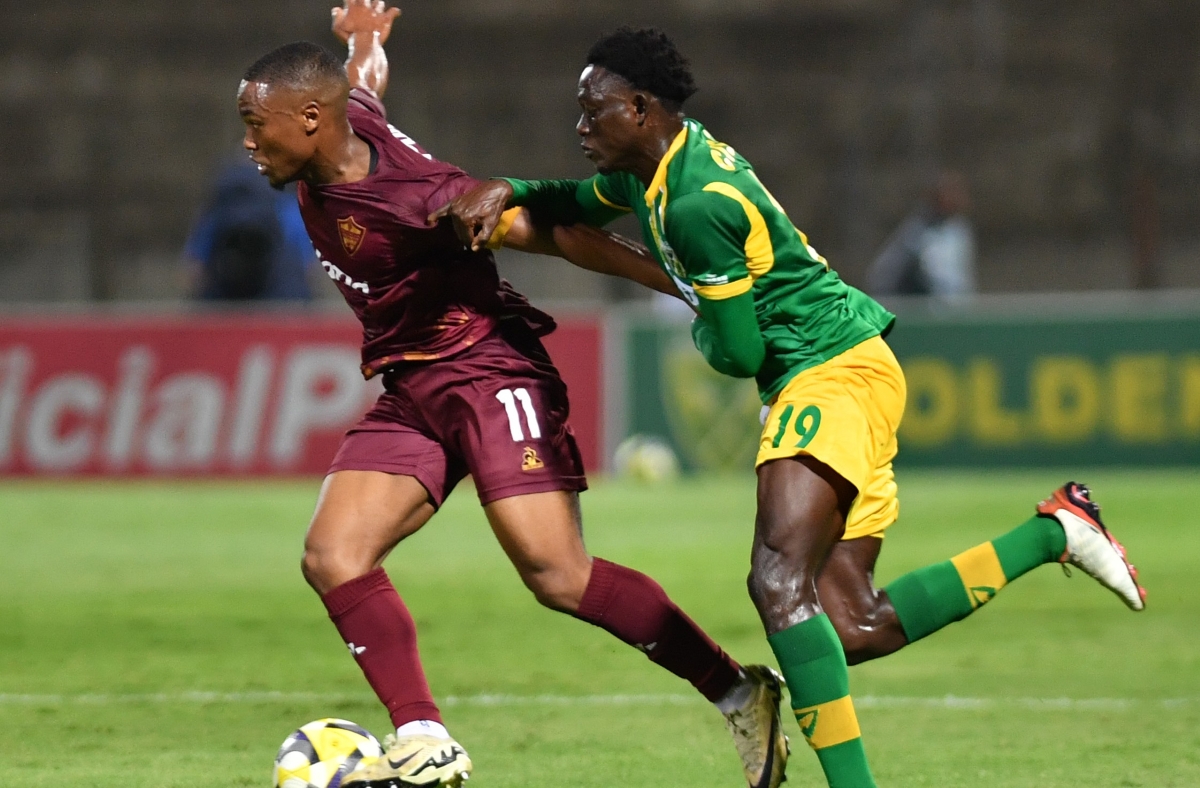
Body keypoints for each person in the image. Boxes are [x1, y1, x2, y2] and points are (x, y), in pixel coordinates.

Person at [435, 27, 1147, 788]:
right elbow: (571, 203)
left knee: (777, 581)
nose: (579, 127)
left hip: (828, 372)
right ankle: (1055, 532)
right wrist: (507, 187)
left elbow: (736, 354)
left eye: (593, 111)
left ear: (640, 109)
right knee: (853, 623)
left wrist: (694, 313)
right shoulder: (658, 172)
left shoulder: (696, 205)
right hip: (846, 367)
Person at [237, 4, 788, 787]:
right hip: (414, 385)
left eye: (259, 125)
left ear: (310, 120)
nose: (250, 143)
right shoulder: (344, 123)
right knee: (333, 555)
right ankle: (426, 737)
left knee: (558, 577)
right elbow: (365, 82)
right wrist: (365, 35)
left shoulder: (422, 200)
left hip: (491, 374)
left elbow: (554, 233)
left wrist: (682, 285)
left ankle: (738, 691)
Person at [184, 157, 317, 301]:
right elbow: (309, 268)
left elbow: (194, 268)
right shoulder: (287, 205)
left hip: (224, 300)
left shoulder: (222, 206)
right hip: (280, 299)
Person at [866, 171, 976, 299]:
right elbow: (884, 274)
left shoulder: (959, 230)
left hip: (954, 310)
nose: (955, 199)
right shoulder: (916, 232)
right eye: (949, 195)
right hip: (921, 308)